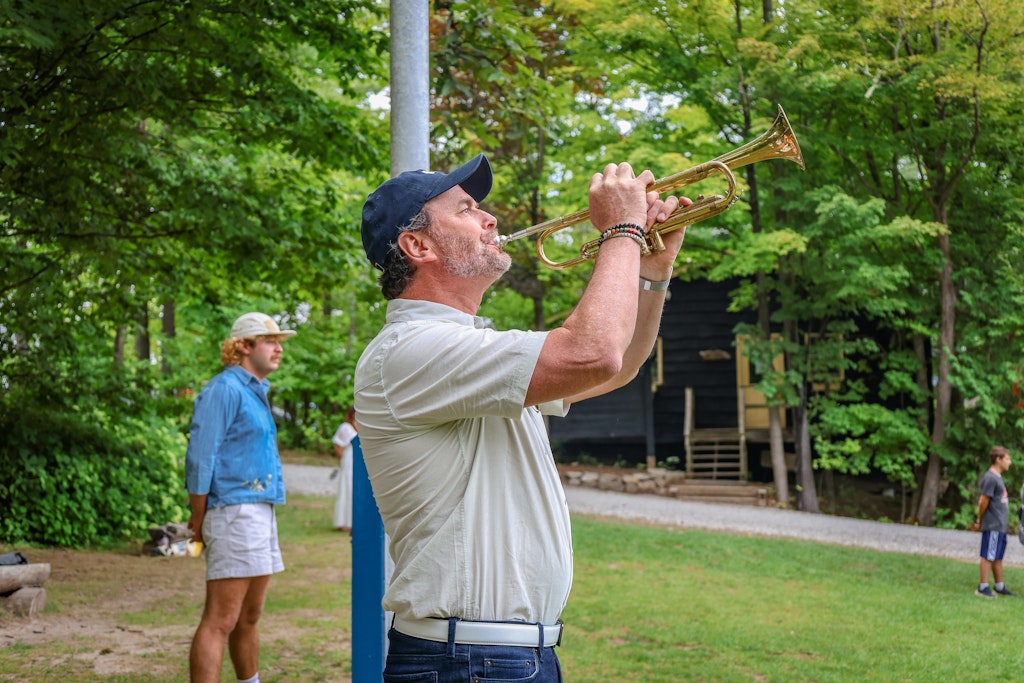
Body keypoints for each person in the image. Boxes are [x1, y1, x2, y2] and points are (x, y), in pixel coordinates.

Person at [354, 153, 689, 681]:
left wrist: (650, 272)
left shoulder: (465, 346)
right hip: (467, 659)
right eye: (466, 209)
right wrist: (622, 230)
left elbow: (615, 367)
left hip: (495, 656)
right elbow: (593, 353)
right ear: (418, 246)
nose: (490, 220)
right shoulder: (411, 348)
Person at [185, 312, 296, 683]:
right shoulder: (224, 389)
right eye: (271, 341)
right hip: (232, 511)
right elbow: (201, 459)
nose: (279, 348)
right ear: (244, 347)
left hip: (259, 510)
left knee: (249, 617)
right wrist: (197, 521)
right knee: (220, 620)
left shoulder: (255, 391)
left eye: (280, 341)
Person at [968, 445, 1016, 598]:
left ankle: (999, 586)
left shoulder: (998, 477)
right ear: (998, 459)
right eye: (1007, 459)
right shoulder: (990, 478)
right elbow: (983, 502)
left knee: (997, 556)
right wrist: (980, 521)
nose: (1010, 462)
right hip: (993, 524)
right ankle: (983, 587)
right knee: (989, 555)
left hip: (1000, 525)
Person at [331, 406, 358, 532]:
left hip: (358, 461)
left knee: (356, 490)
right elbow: (337, 445)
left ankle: (355, 520)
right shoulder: (345, 428)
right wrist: (342, 460)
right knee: (347, 488)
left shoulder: (360, 426)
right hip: (348, 460)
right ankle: (344, 522)